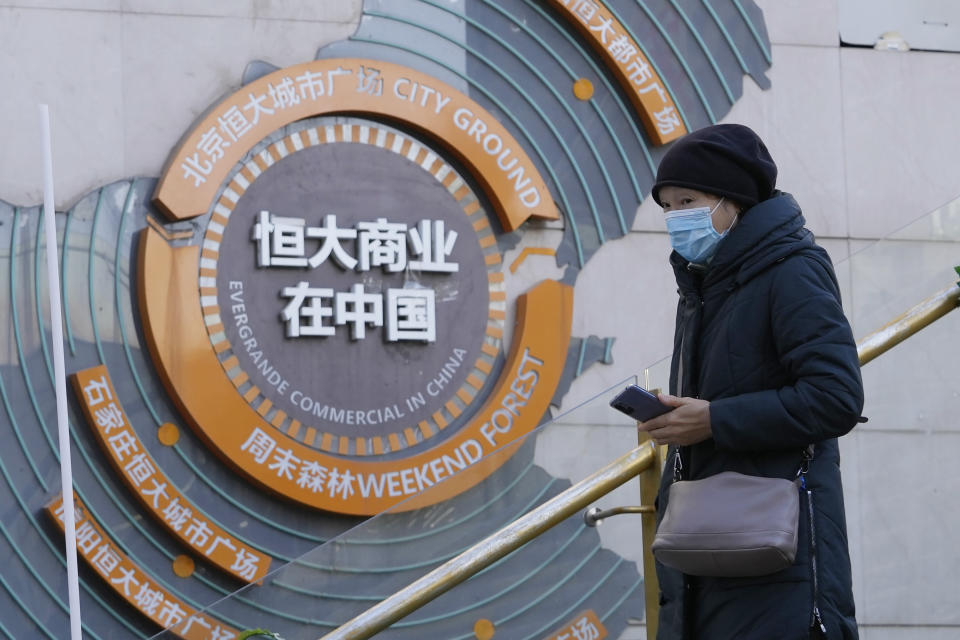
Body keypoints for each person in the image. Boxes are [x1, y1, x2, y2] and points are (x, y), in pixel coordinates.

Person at [638, 124, 864, 639]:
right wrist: (681, 415)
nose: (676, 218)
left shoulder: (792, 269)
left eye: (688, 200)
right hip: (709, 548)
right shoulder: (704, 284)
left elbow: (836, 397)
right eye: (667, 206)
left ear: (732, 201)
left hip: (777, 555)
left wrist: (714, 420)